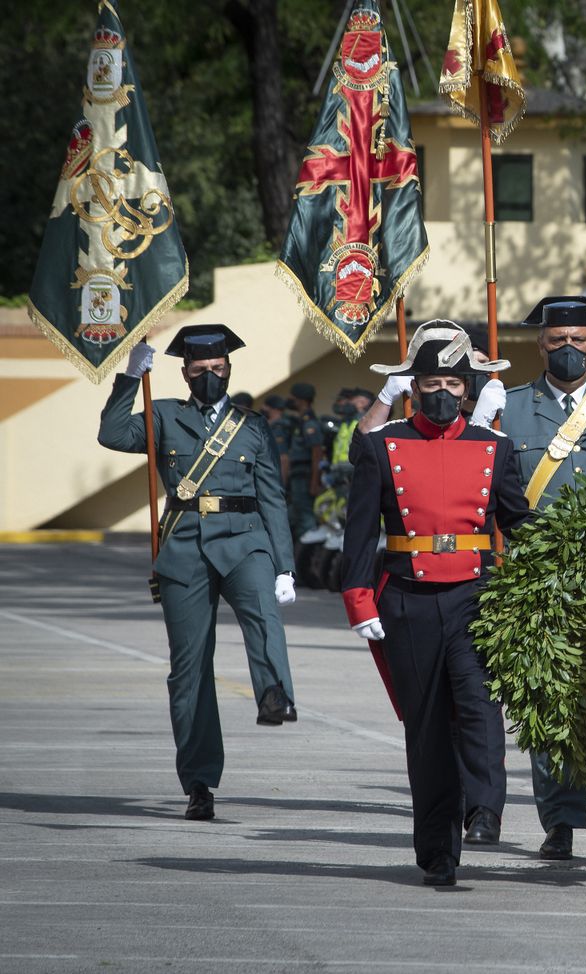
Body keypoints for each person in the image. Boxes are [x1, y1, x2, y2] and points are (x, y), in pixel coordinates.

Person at [471, 294, 586, 861]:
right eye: (559, 342)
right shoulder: (511, 407)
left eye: (580, 340)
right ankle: (560, 820)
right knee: (551, 700)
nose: (570, 349)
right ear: (540, 346)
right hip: (536, 576)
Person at [340, 321, 528, 886]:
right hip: (408, 596)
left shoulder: (494, 447)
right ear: (413, 386)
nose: (441, 392)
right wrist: (358, 599)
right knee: (425, 729)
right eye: (430, 382)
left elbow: (519, 520)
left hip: (476, 594)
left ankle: (485, 807)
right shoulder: (381, 444)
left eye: (452, 381)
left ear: (468, 388)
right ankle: (438, 852)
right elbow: (356, 531)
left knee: (477, 704)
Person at [98, 326, 297, 822]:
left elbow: (272, 495)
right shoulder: (165, 415)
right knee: (189, 672)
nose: (209, 376)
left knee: (263, 614)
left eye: (217, 368)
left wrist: (284, 565)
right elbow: (112, 434)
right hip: (186, 548)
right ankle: (199, 781)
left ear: (229, 369)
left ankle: (274, 694)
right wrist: (128, 378)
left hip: (245, 539)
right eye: (199, 369)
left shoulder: (251, 425)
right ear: (184, 372)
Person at [284, 382, 321, 539]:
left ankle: (310, 554)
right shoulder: (300, 422)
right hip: (298, 475)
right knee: (296, 515)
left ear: (302, 400)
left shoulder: (309, 423)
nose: (290, 401)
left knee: (306, 517)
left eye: (294, 398)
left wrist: (314, 481)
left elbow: (317, 453)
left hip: (305, 475)